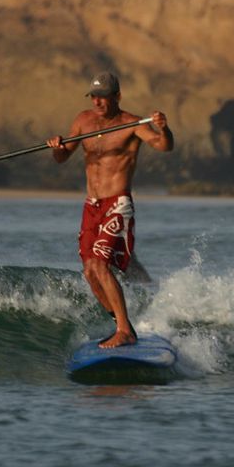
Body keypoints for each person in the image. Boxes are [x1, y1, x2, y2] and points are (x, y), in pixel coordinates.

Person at [46, 72, 174, 348]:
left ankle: (125, 330)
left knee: (101, 265)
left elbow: (164, 146)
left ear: (117, 96)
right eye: (94, 97)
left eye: (103, 97)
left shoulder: (132, 124)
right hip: (91, 206)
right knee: (90, 272)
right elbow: (62, 157)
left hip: (117, 203)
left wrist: (164, 128)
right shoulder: (83, 120)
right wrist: (56, 146)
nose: (98, 102)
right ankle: (122, 327)